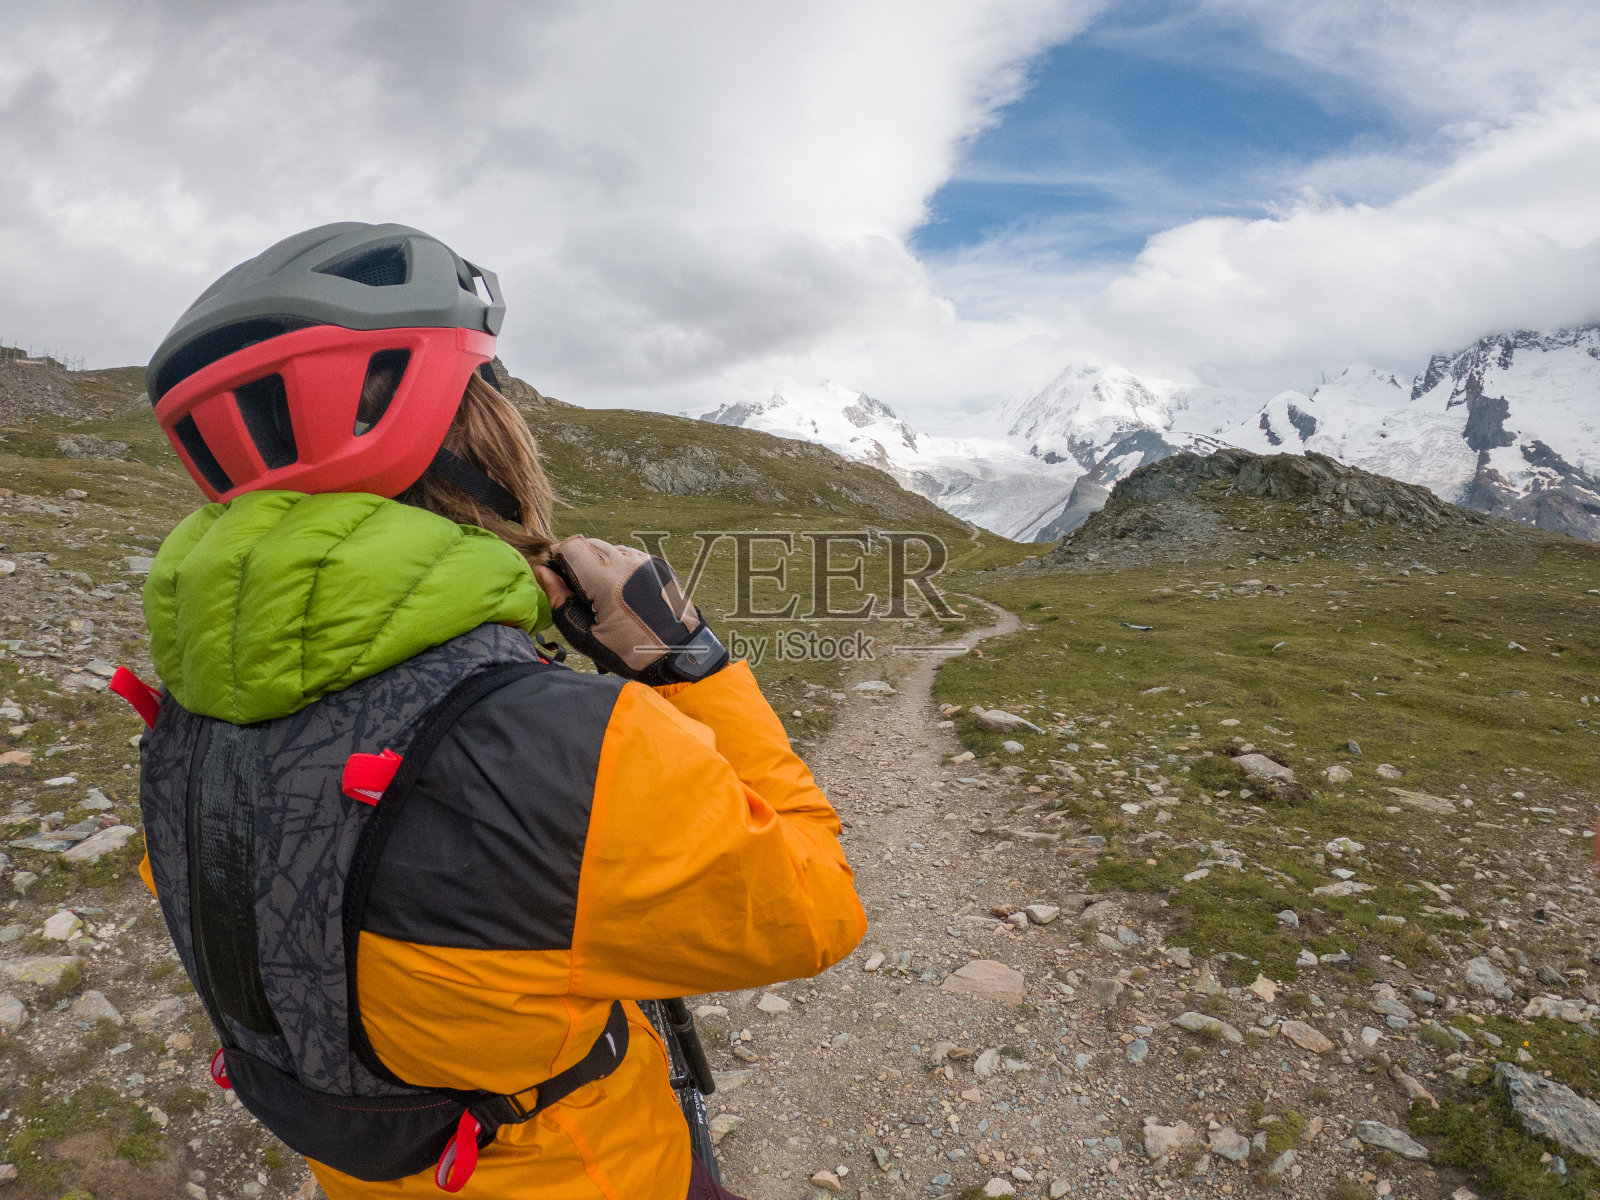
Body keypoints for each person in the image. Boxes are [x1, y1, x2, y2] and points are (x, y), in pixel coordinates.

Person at [128, 222, 867, 1199]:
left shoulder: (186, 715)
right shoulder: (565, 744)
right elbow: (814, 910)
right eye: (491, 385)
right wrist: (687, 663)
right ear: (462, 427)